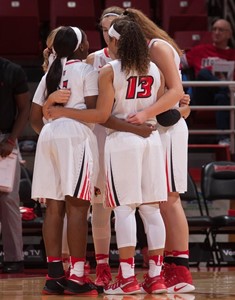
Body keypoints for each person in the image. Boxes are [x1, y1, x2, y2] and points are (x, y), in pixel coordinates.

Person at [44, 18, 174, 295]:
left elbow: (103, 117)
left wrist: (63, 111)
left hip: (122, 142)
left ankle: (127, 276)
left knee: (125, 209)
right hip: (151, 140)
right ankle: (156, 276)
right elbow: (162, 106)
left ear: (115, 42)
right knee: (151, 209)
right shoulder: (155, 69)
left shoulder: (109, 71)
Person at [120, 8, 194, 294]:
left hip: (167, 129)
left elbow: (176, 92)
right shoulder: (143, 52)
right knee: (159, 199)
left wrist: (148, 112)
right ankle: (168, 265)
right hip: (156, 128)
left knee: (169, 198)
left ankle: (181, 267)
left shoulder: (157, 47)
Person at [30, 26, 100, 296]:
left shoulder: (49, 74)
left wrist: (53, 123)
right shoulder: (86, 70)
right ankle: (78, 277)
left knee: (54, 208)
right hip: (75, 136)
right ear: (81, 48)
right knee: (78, 208)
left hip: (48, 136)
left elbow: (35, 120)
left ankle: (54, 275)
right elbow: (95, 112)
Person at [86, 6, 123, 288]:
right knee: (100, 205)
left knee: (126, 205)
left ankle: (129, 268)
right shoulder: (93, 59)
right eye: (103, 28)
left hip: (127, 135)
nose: (107, 33)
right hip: (99, 135)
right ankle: (102, 266)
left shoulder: (138, 59)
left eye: (112, 27)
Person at [181, 18, 235, 145]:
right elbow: (176, 63)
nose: (216, 32)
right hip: (202, 95)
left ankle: (223, 138)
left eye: (221, 30)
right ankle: (225, 88)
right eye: (214, 29)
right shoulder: (200, 50)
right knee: (204, 73)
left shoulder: (233, 54)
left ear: (229, 34)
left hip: (225, 98)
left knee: (222, 97)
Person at [0, 57, 31, 273]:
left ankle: (14, 258)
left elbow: (24, 109)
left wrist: (11, 140)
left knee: (8, 200)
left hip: (4, 141)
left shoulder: (11, 70)